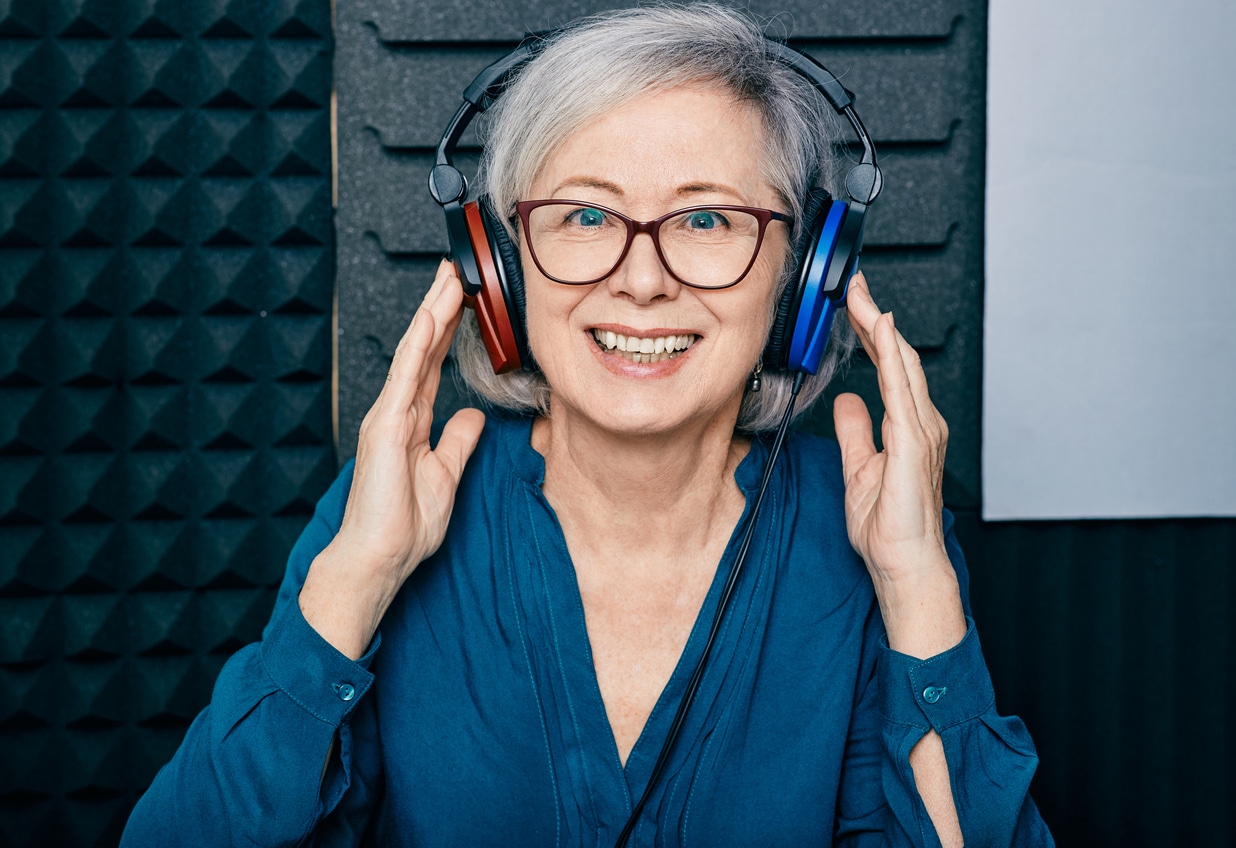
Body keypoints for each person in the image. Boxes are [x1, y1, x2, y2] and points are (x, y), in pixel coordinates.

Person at [123, 5, 1054, 846]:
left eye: (704, 219)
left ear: (799, 279)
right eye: (584, 214)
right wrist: (354, 582)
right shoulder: (384, 521)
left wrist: (917, 586)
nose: (642, 280)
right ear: (503, 271)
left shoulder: (864, 538)